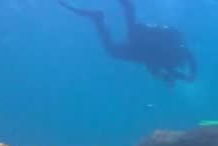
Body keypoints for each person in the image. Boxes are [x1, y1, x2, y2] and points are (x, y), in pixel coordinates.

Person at [58, 0, 197, 86]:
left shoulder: (175, 57)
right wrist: (182, 77)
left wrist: (179, 77)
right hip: (141, 47)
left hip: (140, 48)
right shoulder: (176, 55)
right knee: (116, 45)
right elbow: (159, 68)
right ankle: (100, 18)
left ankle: (100, 17)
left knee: (118, 43)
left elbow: (156, 68)